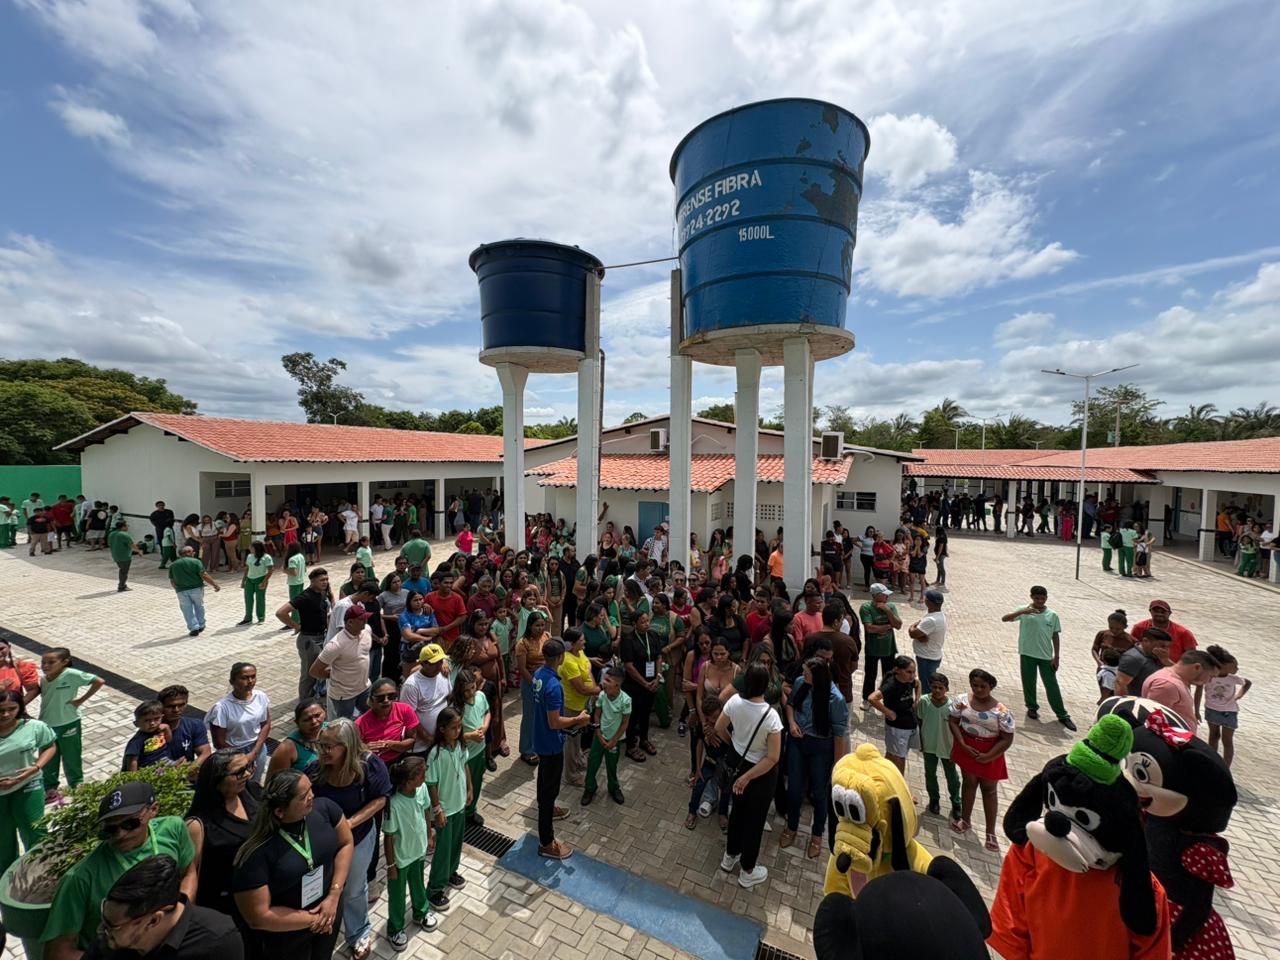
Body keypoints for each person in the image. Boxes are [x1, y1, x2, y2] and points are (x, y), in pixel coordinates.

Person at [43, 781, 197, 960]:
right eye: (110, 829)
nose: (120, 834)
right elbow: (57, 953)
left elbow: (189, 873)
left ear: (153, 810)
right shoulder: (79, 878)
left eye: (130, 824)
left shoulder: (174, 829)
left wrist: (179, 921)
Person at [231, 770, 353, 960]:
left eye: (311, 790)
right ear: (280, 811)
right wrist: (315, 920)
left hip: (330, 912)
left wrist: (334, 895)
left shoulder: (325, 809)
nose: (312, 796)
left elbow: (346, 843)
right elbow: (258, 916)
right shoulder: (255, 852)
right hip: (286, 934)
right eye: (304, 796)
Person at [306, 719, 389, 959]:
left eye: (330, 747)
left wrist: (348, 824)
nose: (323, 751)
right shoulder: (314, 770)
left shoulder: (371, 766)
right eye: (321, 745)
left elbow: (381, 799)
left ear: (349, 746)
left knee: (353, 889)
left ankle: (358, 932)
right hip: (322, 842)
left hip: (358, 838)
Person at [715, 662, 783, 889]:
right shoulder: (771, 716)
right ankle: (747, 870)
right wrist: (748, 777)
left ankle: (729, 856)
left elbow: (718, 728)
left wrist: (734, 745)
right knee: (754, 821)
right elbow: (773, 757)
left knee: (738, 813)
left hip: (737, 763)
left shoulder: (734, 702)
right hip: (760, 775)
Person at [185, 749, 261, 936]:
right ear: (216, 780)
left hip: (260, 895)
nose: (247, 774)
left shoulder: (252, 792)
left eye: (248, 768)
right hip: (224, 908)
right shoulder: (198, 825)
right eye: (239, 772)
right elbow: (190, 874)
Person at [782, 657, 847, 859]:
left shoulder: (835, 699)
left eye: (807, 672)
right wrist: (792, 723)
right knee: (794, 789)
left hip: (821, 747)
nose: (803, 675)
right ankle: (791, 826)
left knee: (820, 793)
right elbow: (790, 704)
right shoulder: (801, 683)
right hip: (798, 742)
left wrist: (837, 765)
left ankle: (817, 835)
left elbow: (839, 734)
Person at [531, 638, 590, 860]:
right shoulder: (554, 686)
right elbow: (555, 722)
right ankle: (546, 842)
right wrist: (578, 719)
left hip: (541, 740)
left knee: (545, 784)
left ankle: (548, 806)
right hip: (551, 744)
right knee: (548, 788)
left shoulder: (539, 675)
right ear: (560, 658)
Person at [948, 669, 1015, 853]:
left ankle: (990, 832)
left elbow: (1007, 738)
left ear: (991, 687)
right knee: (968, 784)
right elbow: (953, 721)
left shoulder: (1001, 711)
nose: (978, 689)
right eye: (974, 685)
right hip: (967, 749)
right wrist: (961, 743)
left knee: (989, 790)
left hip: (990, 753)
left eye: (983, 686)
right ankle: (965, 820)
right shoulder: (962, 701)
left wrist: (989, 756)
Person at [381, 756, 438, 950]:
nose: (425, 777)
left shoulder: (421, 790)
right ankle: (395, 928)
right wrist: (390, 866)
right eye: (422, 774)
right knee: (397, 896)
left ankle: (420, 912)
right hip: (400, 858)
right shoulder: (394, 804)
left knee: (418, 884)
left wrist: (429, 834)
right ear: (409, 780)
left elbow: (425, 811)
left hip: (417, 851)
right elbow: (388, 836)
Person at [1001, 585, 1076, 731]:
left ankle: (1062, 715)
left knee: (1052, 685)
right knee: (1029, 682)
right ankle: (1032, 707)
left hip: (1046, 656)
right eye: (1037, 598)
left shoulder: (1052, 615)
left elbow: (1055, 635)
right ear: (1031, 597)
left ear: (1046, 598)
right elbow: (1005, 618)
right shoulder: (1024, 610)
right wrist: (1023, 611)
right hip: (1027, 653)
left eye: (1042, 598)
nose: (1040, 601)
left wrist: (1057, 657)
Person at [0, 689, 56, 873]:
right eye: (1, 710)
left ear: (20, 707)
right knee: (3, 838)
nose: (6, 714)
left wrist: (36, 767)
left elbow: (50, 746)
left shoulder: (34, 727)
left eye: (12, 708)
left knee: (35, 830)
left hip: (28, 786)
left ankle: (41, 871)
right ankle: (7, 876)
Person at [37, 647, 102, 803]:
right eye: (43, 662)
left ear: (65, 662)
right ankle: (50, 788)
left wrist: (80, 700)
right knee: (49, 758)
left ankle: (76, 784)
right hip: (47, 724)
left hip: (69, 722)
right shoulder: (44, 679)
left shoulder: (72, 675)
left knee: (71, 755)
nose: (46, 666)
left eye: (51, 662)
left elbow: (99, 681)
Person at [422, 706, 470, 911]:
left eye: (459, 726)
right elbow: (431, 783)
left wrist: (470, 788)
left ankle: (451, 872)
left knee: (456, 843)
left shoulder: (459, 746)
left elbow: (465, 765)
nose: (457, 731)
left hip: (459, 805)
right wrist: (438, 810)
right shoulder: (435, 754)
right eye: (453, 728)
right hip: (446, 810)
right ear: (442, 729)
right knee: (443, 849)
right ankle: (434, 889)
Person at [207, 663, 272, 782]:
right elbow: (219, 743)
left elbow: (266, 724)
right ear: (232, 681)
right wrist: (243, 758)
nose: (250, 681)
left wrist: (255, 752)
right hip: (232, 753)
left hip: (258, 748)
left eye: (253, 676)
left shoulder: (261, 697)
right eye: (244, 678)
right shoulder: (221, 708)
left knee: (254, 783)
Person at [276, 568, 333, 700]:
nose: (325, 582)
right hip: (309, 640)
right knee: (309, 673)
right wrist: (296, 626)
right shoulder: (305, 596)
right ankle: (305, 701)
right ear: (312, 581)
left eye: (326, 579)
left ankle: (318, 694)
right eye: (322, 580)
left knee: (321, 669)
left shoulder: (323, 593)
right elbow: (280, 612)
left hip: (322, 637)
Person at [311, 606, 373, 719]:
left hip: (364, 688)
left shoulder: (367, 630)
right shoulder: (335, 645)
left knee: (371, 717)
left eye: (366, 618)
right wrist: (330, 675)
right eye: (362, 619)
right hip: (344, 695)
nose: (366, 621)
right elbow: (314, 671)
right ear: (350, 622)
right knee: (345, 725)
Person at [582, 665, 630, 807]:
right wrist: (599, 735)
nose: (603, 683)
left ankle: (614, 788)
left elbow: (624, 724)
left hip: (614, 740)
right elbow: (597, 715)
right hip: (599, 737)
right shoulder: (602, 696)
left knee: (611, 765)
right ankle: (589, 788)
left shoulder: (625, 700)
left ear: (617, 684)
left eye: (607, 680)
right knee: (592, 763)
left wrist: (613, 741)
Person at [1141, 649, 1220, 732]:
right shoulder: (1167, 685)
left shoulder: (1176, 680)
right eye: (1211, 676)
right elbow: (1154, 722)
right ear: (1197, 667)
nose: (1210, 681)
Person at [919, 672, 962, 824]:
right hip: (929, 745)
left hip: (947, 747)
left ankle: (956, 803)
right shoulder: (924, 701)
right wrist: (920, 742)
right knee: (930, 774)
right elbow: (919, 720)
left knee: (952, 777)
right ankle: (934, 800)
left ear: (946, 689)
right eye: (934, 687)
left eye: (940, 688)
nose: (937, 690)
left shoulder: (952, 707)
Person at [868, 656, 920, 774]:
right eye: (909, 672)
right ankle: (899, 784)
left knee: (892, 756)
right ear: (897, 670)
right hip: (897, 729)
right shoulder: (891, 685)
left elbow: (918, 683)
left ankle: (882, 777)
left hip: (909, 725)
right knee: (899, 758)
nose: (912, 675)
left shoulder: (910, 681)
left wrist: (917, 699)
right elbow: (872, 698)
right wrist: (888, 712)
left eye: (913, 672)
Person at [1202, 645, 1249, 768]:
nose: (1237, 668)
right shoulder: (1209, 676)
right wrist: (1196, 709)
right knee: (1213, 736)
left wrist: (1239, 695)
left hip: (1229, 712)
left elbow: (1247, 682)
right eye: (1234, 666)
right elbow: (1198, 688)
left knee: (1227, 740)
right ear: (1222, 666)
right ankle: (1211, 762)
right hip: (1211, 709)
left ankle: (1225, 767)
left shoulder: (1233, 678)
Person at [356, 679, 420, 768]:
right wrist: (364, 749)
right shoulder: (359, 723)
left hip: (397, 762)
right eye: (380, 698)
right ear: (371, 699)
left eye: (391, 696)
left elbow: (411, 741)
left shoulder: (405, 710)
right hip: (371, 765)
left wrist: (391, 745)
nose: (386, 700)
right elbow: (352, 750)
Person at [400, 644, 452, 747]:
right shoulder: (412, 685)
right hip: (423, 745)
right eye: (434, 663)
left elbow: (449, 697)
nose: (439, 665)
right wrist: (428, 738)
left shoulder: (444, 673)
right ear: (422, 663)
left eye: (441, 661)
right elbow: (409, 717)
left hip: (443, 739)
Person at [514, 614, 549, 765]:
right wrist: (534, 684)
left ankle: (539, 745)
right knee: (530, 717)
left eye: (542, 625)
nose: (541, 629)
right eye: (537, 626)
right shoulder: (523, 643)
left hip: (546, 680)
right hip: (530, 682)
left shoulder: (546, 636)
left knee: (542, 716)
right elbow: (522, 668)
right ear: (529, 626)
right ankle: (526, 749)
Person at [859, 584, 900, 706]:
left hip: (889, 648)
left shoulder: (891, 606)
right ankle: (867, 699)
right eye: (884, 594)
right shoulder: (866, 608)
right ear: (875, 595)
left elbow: (898, 625)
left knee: (888, 675)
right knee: (870, 675)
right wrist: (888, 626)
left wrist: (887, 611)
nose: (887, 596)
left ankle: (887, 698)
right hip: (873, 649)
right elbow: (870, 628)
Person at [268, 699, 328, 780]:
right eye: (307, 719)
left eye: (317, 715)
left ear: (325, 712)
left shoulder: (333, 730)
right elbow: (274, 784)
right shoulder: (287, 749)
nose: (314, 722)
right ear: (297, 723)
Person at [167, 546, 220, 637]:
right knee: (199, 606)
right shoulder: (196, 562)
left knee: (187, 610)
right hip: (196, 589)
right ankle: (201, 624)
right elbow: (204, 575)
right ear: (187, 552)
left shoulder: (173, 565)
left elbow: (172, 580)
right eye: (192, 551)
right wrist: (214, 584)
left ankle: (193, 627)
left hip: (181, 590)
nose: (194, 553)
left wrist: (177, 589)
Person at [1130, 599, 1197, 662]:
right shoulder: (1139, 627)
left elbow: (1192, 656)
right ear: (1150, 611)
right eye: (1156, 611)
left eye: (1163, 611)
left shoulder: (1183, 632)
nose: (1159, 614)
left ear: (1170, 613)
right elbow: (1132, 648)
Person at [1114, 626, 1172, 696]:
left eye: (1168, 646)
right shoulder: (1133, 658)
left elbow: (1179, 675)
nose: (1166, 650)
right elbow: (1120, 684)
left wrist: (1166, 661)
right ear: (1145, 641)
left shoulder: (1159, 656)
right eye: (1162, 646)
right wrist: (1126, 706)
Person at [907, 589, 947, 691]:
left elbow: (912, 633)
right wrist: (920, 635)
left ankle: (924, 706)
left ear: (928, 602)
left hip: (926, 658)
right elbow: (921, 635)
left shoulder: (930, 620)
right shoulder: (939, 615)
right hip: (931, 656)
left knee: (926, 687)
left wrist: (913, 626)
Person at [123, 700, 171, 770]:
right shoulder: (137, 741)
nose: (152, 723)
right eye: (147, 720)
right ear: (136, 724)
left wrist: (167, 728)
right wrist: (133, 777)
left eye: (156, 719)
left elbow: (169, 740)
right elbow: (132, 760)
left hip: (164, 761)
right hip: (148, 768)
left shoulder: (160, 730)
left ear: (162, 717)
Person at [239, 542, 274, 625]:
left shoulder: (266, 557)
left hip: (261, 579)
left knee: (260, 599)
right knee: (248, 599)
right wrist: (243, 580)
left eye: (251, 547)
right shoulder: (249, 556)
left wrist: (265, 581)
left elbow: (271, 570)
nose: (249, 549)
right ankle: (248, 618)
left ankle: (261, 618)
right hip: (249, 580)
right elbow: (247, 569)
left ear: (256, 548)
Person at [108, 520, 142, 592]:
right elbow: (131, 545)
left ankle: (122, 585)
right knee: (124, 572)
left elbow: (110, 544)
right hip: (125, 556)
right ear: (123, 527)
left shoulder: (111, 534)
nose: (128, 527)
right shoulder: (124, 535)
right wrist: (139, 551)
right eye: (127, 526)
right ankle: (122, 586)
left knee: (122, 570)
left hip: (115, 555)